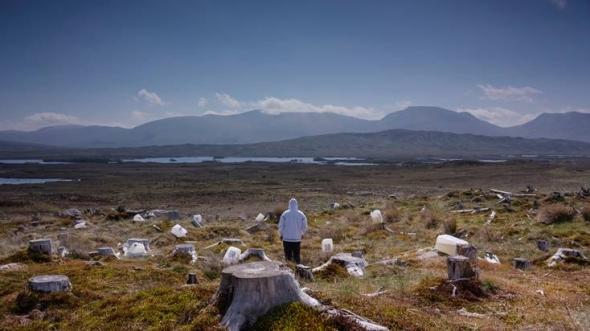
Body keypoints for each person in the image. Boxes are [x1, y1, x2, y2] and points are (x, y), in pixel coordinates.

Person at [278, 198, 308, 264]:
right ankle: (298, 271)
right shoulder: (301, 214)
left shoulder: (284, 214)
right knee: (296, 256)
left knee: (288, 257)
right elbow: (305, 226)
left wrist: (281, 234)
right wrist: (302, 233)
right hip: (297, 239)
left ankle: (289, 270)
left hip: (286, 239)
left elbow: (281, 226)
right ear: (297, 204)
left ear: (289, 204)